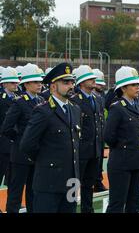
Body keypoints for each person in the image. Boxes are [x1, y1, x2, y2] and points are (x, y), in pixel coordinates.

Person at [20, 63, 81, 213]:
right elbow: (27, 145)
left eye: (72, 82)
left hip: (72, 181)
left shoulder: (75, 109)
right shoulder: (43, 111)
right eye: (66, 82)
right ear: (53, 87)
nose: (71, 85)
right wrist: (45, 160)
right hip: (49, 181)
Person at [104, 66, 139, 213]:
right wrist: (123, 148)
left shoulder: (138, 104)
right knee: (117, 203)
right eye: (134, 85)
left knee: (133, 203)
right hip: (121, 162)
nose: (138, 88)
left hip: (138, 161)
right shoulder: (117, 108)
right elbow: (109, 136)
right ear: (123, 88)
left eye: (138, 84)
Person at [1, 64, 43, 213]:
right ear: (26, 84)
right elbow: (6, 128)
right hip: (20, 155)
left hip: (36, 154)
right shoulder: (19, 102)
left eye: (40, 82)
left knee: (34, 191)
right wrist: (21, 141)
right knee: (16, 192)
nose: (40, 84)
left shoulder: (40, 101)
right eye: (36, 82)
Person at [70, 65, 104, 213]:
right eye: (90, 78)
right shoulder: (75, 100)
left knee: (88, 183)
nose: (94, 80)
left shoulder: (97, 99)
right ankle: (69, 209)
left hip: (94, 150)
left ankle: (87, 209)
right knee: (73, 183)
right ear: (82, 82)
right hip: (80, 150)